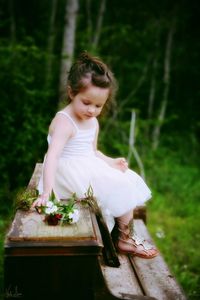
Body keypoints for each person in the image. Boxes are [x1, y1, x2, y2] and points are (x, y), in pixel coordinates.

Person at [32, 52, 158, 259]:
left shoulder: (93, 121)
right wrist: (46, 193)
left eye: (98, 106)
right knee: (118, 186)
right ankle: (123, 239)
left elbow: (92, 152)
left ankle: (124, 236)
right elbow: (52, 156)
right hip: (64, 173)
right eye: (87, 102)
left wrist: (111, 162)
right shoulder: (64, 121)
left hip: (86, 165)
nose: (92, 110)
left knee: (126, 179)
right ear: (72, 93)